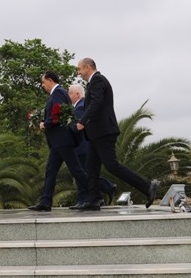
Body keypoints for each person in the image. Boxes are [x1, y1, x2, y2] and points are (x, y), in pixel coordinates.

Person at [74, 57, 158, 211]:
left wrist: (83, 121)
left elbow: (96, 102)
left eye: (79, 69)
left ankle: (147, 187)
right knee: (91, 168)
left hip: (103, 132)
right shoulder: (93, 83)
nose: (78, 73)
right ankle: (93, 200)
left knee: (112, 166)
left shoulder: (98, 80)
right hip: (95, 134)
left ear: (87, 67)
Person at [29, 72, 92, 211]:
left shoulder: (58, 93)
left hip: (62, 140)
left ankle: (97, 192)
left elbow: (58, 114)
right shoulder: (59, 93)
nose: (42, 85)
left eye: (43, 82)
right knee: (51, 171)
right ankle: (45, 201)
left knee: (76, 170)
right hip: (58, 142)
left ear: (50, 80)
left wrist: (45, 123)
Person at [70, 83, 116, 205]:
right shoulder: (79, 106)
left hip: (82, 146)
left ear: (77, 94)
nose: (68, 95)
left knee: (83, 174)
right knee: (85, 174)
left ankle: (103, 189)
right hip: (83, 146)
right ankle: (99, 194)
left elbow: (78, 128)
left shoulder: (79, 108)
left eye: (70, 93)